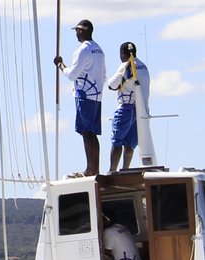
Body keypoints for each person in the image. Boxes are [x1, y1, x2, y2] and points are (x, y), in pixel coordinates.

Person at [54, 18, 105, 176]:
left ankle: (91, 169)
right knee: (92, 133)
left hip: (84, 94)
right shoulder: (98, 49)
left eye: (77, 30)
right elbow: (103, 74)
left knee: (86, 132)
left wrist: (60, 64)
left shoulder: (83, 50)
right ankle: (93, 167)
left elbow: (72, 74)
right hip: (96, 95)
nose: (76, 33)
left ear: (82, 31)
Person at [104, 42, 148, 173]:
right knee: (130, 145)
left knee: (117, 141)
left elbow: (111, 85)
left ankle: (112, 171)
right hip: (141, 110)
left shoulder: (126, 65)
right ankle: (125, 170)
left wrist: (120, 84)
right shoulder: (143, 66)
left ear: (123, 54)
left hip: (126, 108)